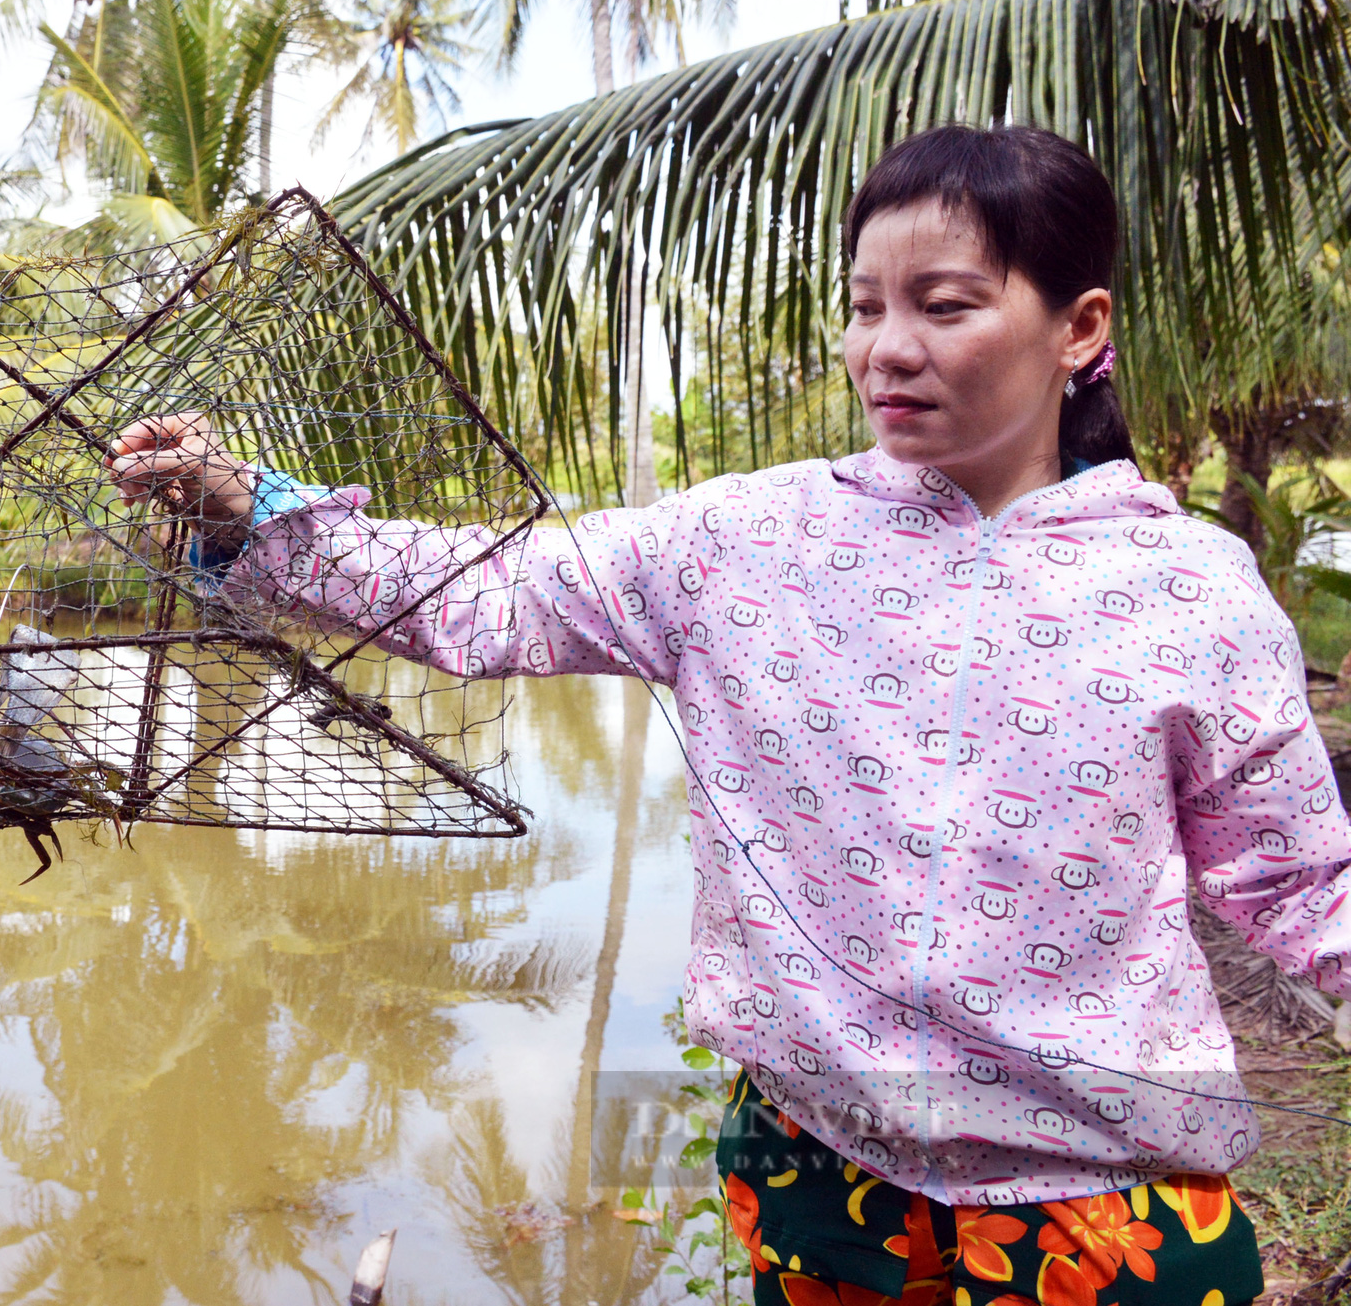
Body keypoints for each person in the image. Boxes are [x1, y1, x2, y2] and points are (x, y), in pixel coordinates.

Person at [109, 124, 1351, 1305]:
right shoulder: (742, 541)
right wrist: (236, 508)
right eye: (865, 307)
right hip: (818, 1170)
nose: (886, 348)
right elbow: (479, 594)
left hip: (1102, 1199)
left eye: (944, 304)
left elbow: (1299, 882)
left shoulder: (1186, 590)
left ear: (1079, 329)